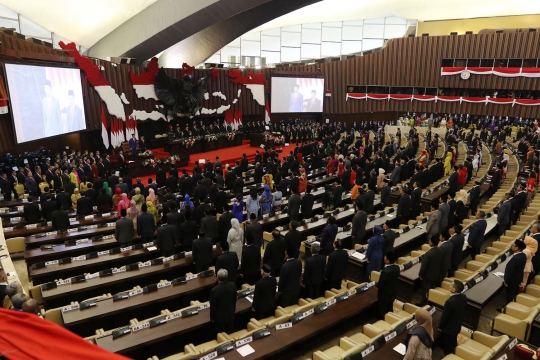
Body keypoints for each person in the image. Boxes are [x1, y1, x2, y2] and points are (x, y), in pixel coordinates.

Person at [437, 279, 467, 356]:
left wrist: (440, 327)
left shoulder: (450, 302)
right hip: (457, 326)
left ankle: (449, 357)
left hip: (449, 329)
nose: (449, 285)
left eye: (451, 285)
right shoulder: (463, 296)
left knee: (447, 347)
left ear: (453, 289)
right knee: (453, 342)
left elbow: (445, 317)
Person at [210, 269, 237, 334]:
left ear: (217, 278)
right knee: (230, 333)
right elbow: (234, 299)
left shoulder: (214, 290)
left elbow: (213, 306)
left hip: (219, 317)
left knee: (221, 334)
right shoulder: (233, 285)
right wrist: (233, 310)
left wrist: (212, 317)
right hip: (230, 313)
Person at [419, 235, 442, 306]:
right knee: (431, 288)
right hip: (435, 274)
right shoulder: (440, 251)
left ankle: (423, 304)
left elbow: (424, 266)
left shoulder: (429, 253)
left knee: (425, 290)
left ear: (431, 242)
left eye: (430, 240)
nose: (429, 241)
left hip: (428, 275)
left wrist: (421, 274)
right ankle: (430, 302)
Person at [503, 240, 527, 306]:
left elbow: (511, 271)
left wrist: (506, 281)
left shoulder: (516, 258)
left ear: (516, 248)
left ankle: (507, 309)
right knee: (512, 294)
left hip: (511, 281)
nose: (512, 246)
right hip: (517, 279)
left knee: (509, 295)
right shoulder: (523, 255)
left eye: (513, 245)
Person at [377, 251, 400, 319]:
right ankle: (390, 319)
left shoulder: (385, 272)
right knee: (390, 307)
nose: (384, 257)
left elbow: (380, 284)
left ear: (387, 261)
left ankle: (382, 321)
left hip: (384, 294)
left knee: (382, 310)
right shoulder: (397, 267)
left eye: (385, 256)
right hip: (393, 291)